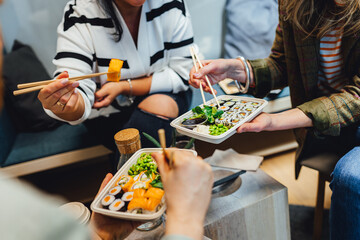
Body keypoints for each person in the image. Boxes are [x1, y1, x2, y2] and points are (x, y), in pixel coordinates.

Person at [189, 0, 360, 239]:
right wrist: (237, 69)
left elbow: (356, 97)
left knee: (350, 177)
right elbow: (283, 63)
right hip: (329, 128)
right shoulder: (295, 5)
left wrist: (275, 121)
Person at [38, 0, 195, 151]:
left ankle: (125, 174)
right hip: (108, 114)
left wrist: (123, 86)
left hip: (169, 94)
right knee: (134, 135)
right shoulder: (80, 13)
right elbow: (77, 87)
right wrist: (68, 104)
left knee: (157, 107)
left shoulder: (171, 3)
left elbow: (182, 74)